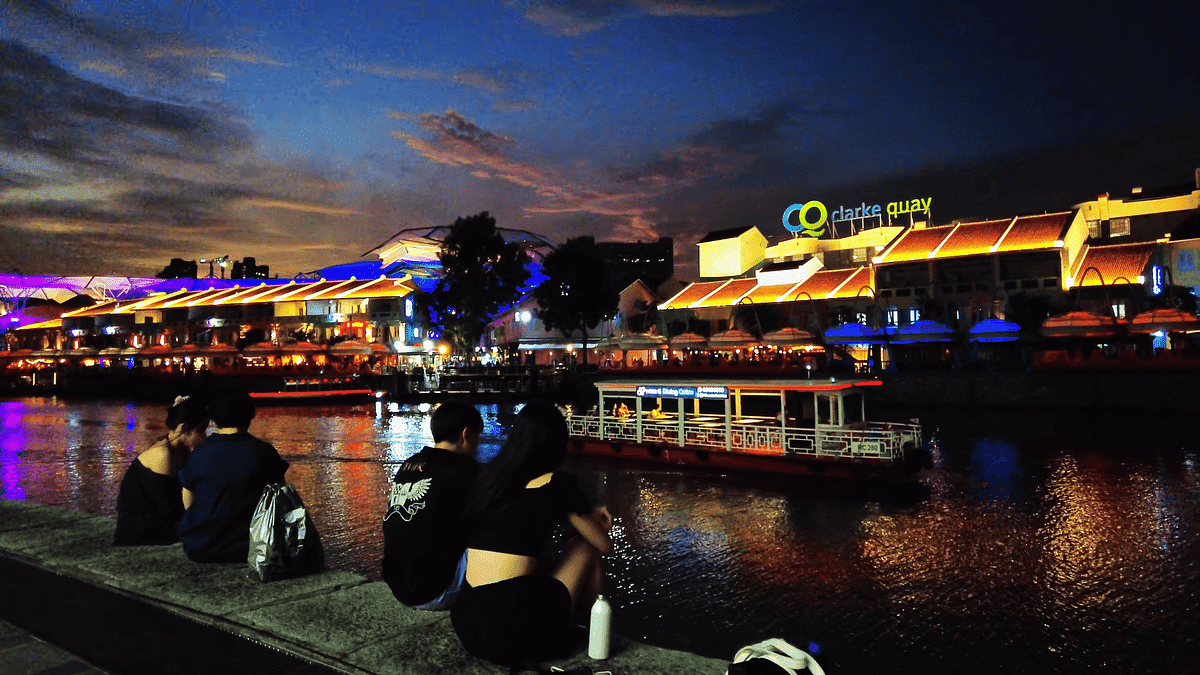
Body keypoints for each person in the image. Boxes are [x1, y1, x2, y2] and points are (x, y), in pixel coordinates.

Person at [451, 402, 614, 667]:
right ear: (557, 444)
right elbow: (603, 545)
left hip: (469, 623)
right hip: (513, 631)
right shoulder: (555, 484)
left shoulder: (488, 479)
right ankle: (593, 625)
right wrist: (596, 522)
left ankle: (581, 622)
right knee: (585, 546)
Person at [381, 401, 483, 609]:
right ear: (466, 434)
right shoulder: (466, 470)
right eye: (476, 437)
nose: (477, 445)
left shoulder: (409, 464)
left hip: (399, 587)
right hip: (436, 590)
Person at [177, 383, 289, 562]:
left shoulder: (199, 454)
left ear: (213, 418)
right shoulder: (264, 452)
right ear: (251, 415)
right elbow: (281, 499)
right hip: (250, 548)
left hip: (200, 547)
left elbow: (188, 503)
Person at [113, 395, 209, 545]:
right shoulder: (163, 456)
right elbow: (169, 508)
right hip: (140, 528)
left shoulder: (180, 450)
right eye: (201, 430)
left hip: (156, 519)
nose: (205, 436)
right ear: (184, 428)